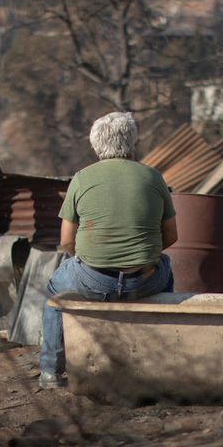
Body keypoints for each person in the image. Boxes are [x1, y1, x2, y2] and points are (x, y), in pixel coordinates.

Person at [38, 112, 178, 389]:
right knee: (166, 267)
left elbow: (67, 241)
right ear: (133, 142)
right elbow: (171, 236)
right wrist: (139, 255)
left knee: (55, 290)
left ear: (95, 144)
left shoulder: (81, 178)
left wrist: (92, 259)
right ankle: (163, 362)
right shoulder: (153, 177)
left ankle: (50, 372)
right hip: (146, 280)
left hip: (93, 280)